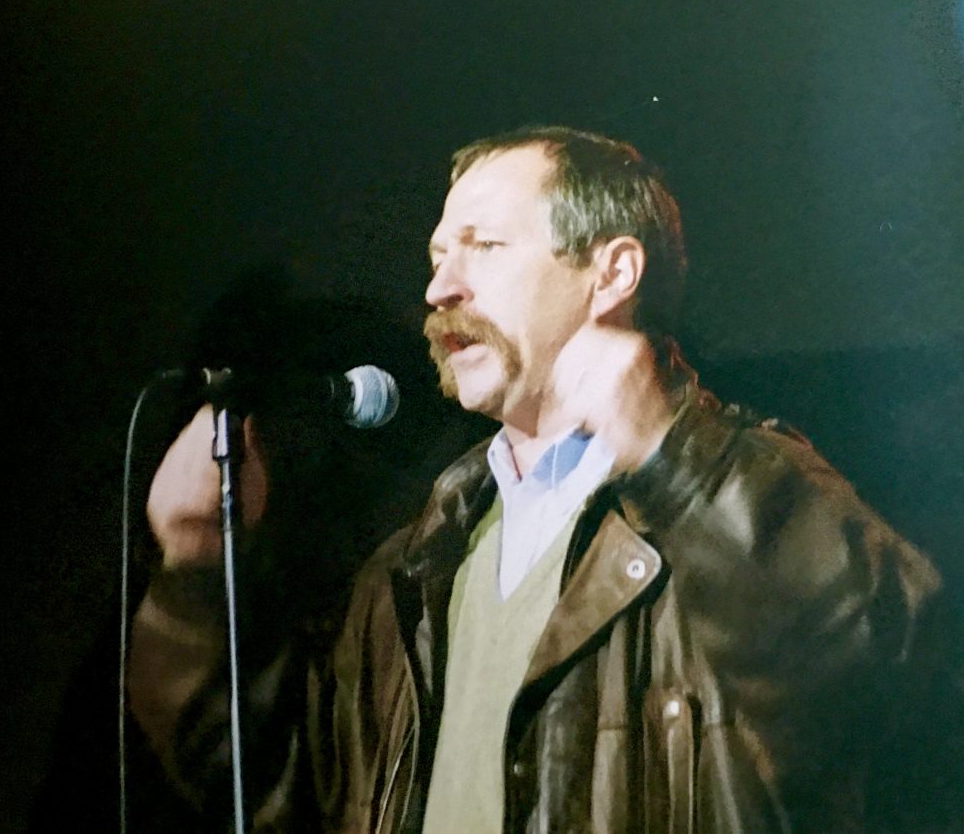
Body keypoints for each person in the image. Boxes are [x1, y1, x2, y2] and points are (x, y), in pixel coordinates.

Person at [129, 126, 961, 832]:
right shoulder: (416, 568)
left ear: (612, 274)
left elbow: (891, 689)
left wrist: (674, 457)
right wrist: (196, 570)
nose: (438, 288)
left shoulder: (739, 486)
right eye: (437, 256)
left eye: (484, 247)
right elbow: (287, 791)